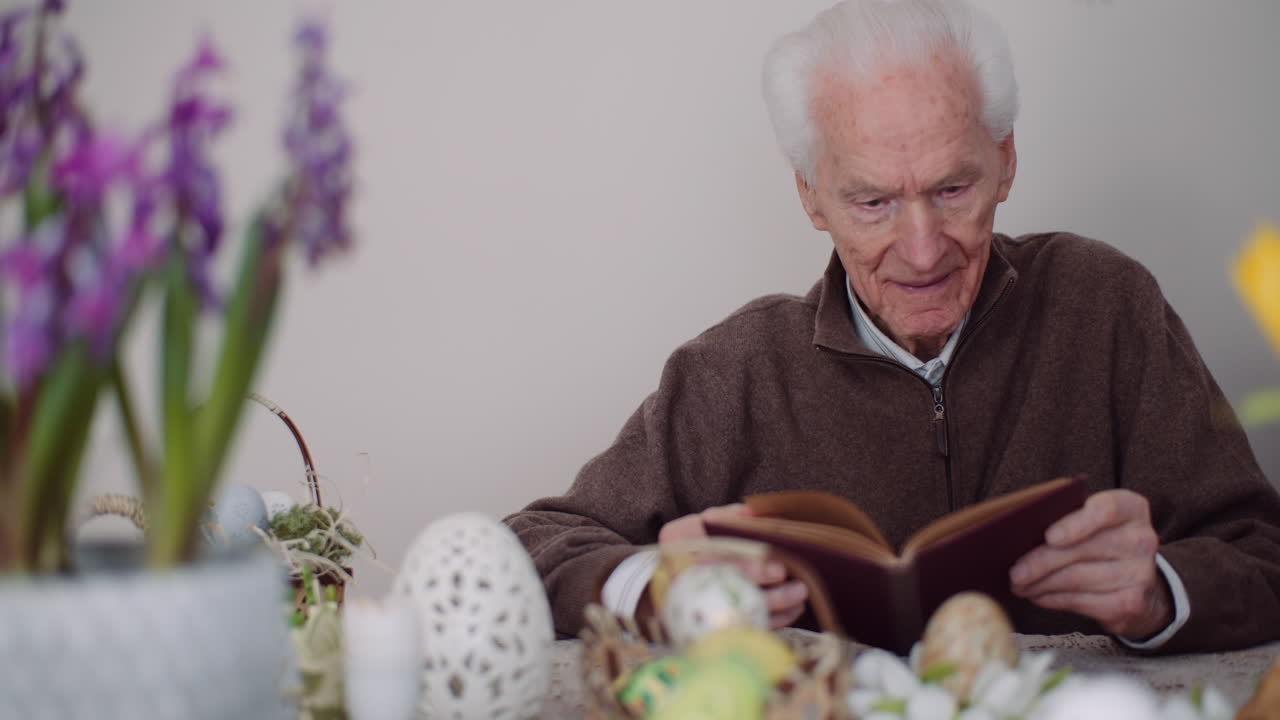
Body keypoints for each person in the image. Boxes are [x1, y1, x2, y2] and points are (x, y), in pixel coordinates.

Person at [503, 0, 1280, 653]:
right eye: (872, 201)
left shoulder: (1105, 305)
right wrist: (653, 586)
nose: (921, 249)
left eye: (951, 187)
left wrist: (1160, 593)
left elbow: (1264, 555)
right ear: (812, 197)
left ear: (1005, 160)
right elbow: (527, 549)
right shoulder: (734, 371)